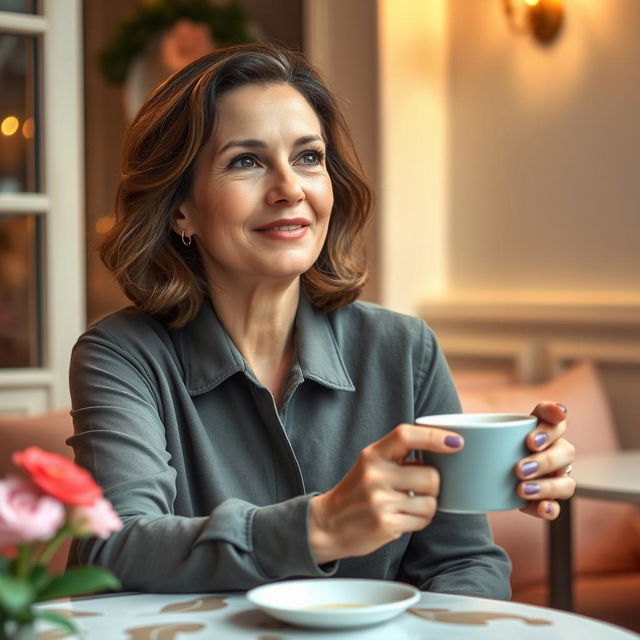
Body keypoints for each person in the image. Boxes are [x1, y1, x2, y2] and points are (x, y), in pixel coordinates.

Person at [68, 43, 576, 596]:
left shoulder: (405, 349)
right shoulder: (120, 354)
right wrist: (322, 527)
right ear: (179, 208)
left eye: (308, 157)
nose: (291, 189)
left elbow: (464, 563)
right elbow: (115, 547)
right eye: (247, 161)